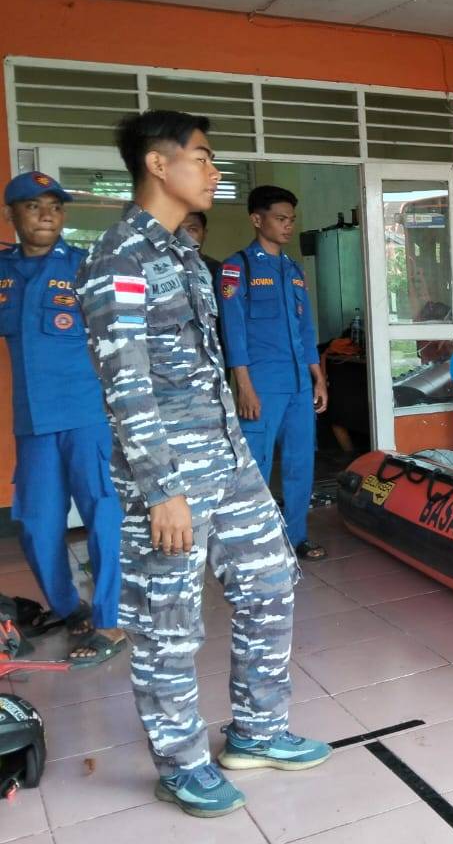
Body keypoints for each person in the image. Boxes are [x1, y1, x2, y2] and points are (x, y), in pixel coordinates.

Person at [75, 111, 330, 819]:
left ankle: (257, 730)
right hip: (170, 477)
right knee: (169, 623)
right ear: (158, 165)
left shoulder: (186, 255)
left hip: (228, 458)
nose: (215, 171)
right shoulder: (119, 257)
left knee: (272, 581)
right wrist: (162, 491)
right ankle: (182, 764)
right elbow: (124, 383)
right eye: (204, 157)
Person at [0, 172, 126, 666]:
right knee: (33, 522)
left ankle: (110, 619)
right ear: (13, 216)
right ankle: (70, 608)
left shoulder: (85, 268)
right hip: (33, 423)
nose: (47, 214)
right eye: (33, 206)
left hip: (86, 416)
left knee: (104, 516)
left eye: (55, 206)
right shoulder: (4, 272)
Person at [218, 185, 328, 560]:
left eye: (291, 220)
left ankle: (296, 537)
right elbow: (232, 332)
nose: (288, 226)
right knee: (256, 466)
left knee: (300, 464)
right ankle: (254, 543)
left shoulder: (293, 271)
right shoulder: (238, 268)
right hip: (262, 386)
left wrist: (319, 376)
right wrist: (243, 386)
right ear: (256, 219)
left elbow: (306, 330)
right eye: (281, 219)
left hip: (299, 385)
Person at [179, 209, 221, 281]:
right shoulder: (159, 267)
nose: (184, 236)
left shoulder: (217, 269)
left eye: (192, 229)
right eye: (178, 230)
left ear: (204, 234)